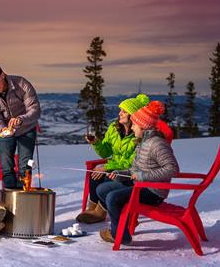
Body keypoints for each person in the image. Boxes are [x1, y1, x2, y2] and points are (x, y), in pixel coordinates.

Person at [96, 101, 179, 244]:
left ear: (143, 127)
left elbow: (173, 169)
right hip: (140, 185)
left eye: (134, 124)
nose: (132, 127)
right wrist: (120, 173)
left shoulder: (157, 144)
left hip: (154, 192)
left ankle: (119, 235)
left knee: (113, 198)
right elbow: (135, 169)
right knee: (102, 189)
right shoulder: (141, 142)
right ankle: (124, 227)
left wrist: (142, 176)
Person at [76, 94, 149, 224]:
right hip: (115, 166)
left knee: (105, 175)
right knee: (95, 173)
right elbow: (106, 153)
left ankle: (100, 212)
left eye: (124, 111)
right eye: (120, 110)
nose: (120, 113)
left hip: (130, 172)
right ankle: (91, 209)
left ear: (133, 116)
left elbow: (133, 162)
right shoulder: (114, 128)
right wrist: (96, 143)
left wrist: (108, 167)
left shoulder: (139, 134)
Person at [0, 64, 41, 188]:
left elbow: (35, 110)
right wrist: (3, 129)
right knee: (6, 167)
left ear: (3, 75)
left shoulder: (21, 84)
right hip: (6, 132)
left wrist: (20, 119)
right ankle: (9, 197)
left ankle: (23, 195)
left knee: (26, 165)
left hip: (27, 128)